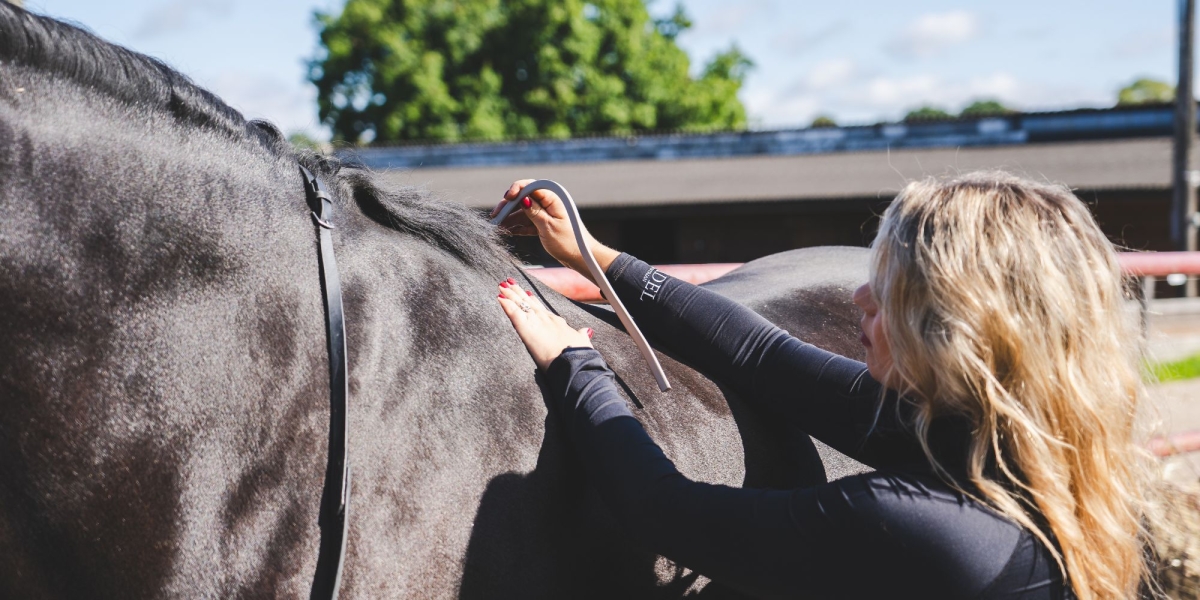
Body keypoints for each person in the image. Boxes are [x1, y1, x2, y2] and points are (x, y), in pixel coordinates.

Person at [490, 172, 1156, 599]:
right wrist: (600, 259)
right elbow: (761, 353)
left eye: (893, 289)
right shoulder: (1012, 443)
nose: (862, 296)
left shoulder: (923, 526)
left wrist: (576, 366)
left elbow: (663, 511)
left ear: (958, 330)